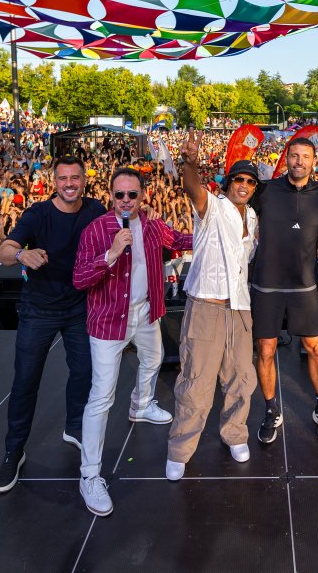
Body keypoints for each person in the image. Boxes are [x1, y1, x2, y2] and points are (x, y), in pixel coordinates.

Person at [73, 167, 192, 516]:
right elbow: (80, 278)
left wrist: (213, 232)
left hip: (145, 312)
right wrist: (111, 254)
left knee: (153, 358)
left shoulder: (152, 225)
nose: (126, 200)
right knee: (101, 397)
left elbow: (178, 241)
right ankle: (89, 475)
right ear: (110, 196)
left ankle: (140, 405)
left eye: (132, 194)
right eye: (119, 194)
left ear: (143, 196)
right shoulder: (97, 230)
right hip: (109, 320)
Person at [0, 156, 107, 495]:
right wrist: (21, 255)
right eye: (63, 178)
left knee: (85, 371)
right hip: (39, 310)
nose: (69, 184)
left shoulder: (96, 210)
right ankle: (14, 450)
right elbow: (4, 250)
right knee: (26, 380)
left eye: (75, 177)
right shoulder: (37, 214)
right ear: (54, 182)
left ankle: (74, 426)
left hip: (78, 307)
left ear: (84, 180)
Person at [165, 131, 259, 481]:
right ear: (228, 182)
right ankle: (180, 449)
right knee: (196, 382)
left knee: (241, 379)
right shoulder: (213, 207)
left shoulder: (253, 217)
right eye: (239, 179)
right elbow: (192, 187)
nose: (244, 185)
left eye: (250, 181)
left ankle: (235, 433)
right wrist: (190, 163)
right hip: (206, 305)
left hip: (240, 309)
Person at [249, 137, 318, 443]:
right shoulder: (265, 190)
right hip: (266, 285)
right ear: (286, 158)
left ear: (314, 161)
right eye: (294, 155)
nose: (299, 161)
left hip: (305, 286)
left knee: (316, 348)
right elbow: (233, 203)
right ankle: (271, 409)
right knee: (266, 350)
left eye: (305, 156)